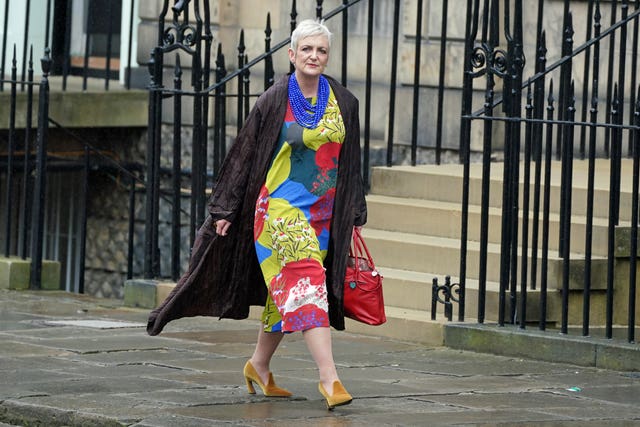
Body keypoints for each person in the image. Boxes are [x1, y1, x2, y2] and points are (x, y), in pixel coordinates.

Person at [146, 19, 367, 411]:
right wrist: (225, 209)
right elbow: (245, 155)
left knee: (284, 294)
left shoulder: (344, 102)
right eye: (307, 50)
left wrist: (355, 211)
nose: (314, 56)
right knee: (307, 285)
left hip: (322, 216)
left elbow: (351, 162)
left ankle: (258, 365)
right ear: (292, 54)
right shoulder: (274, 98)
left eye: (321, 50)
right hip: (279, 210)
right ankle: (329, 379)